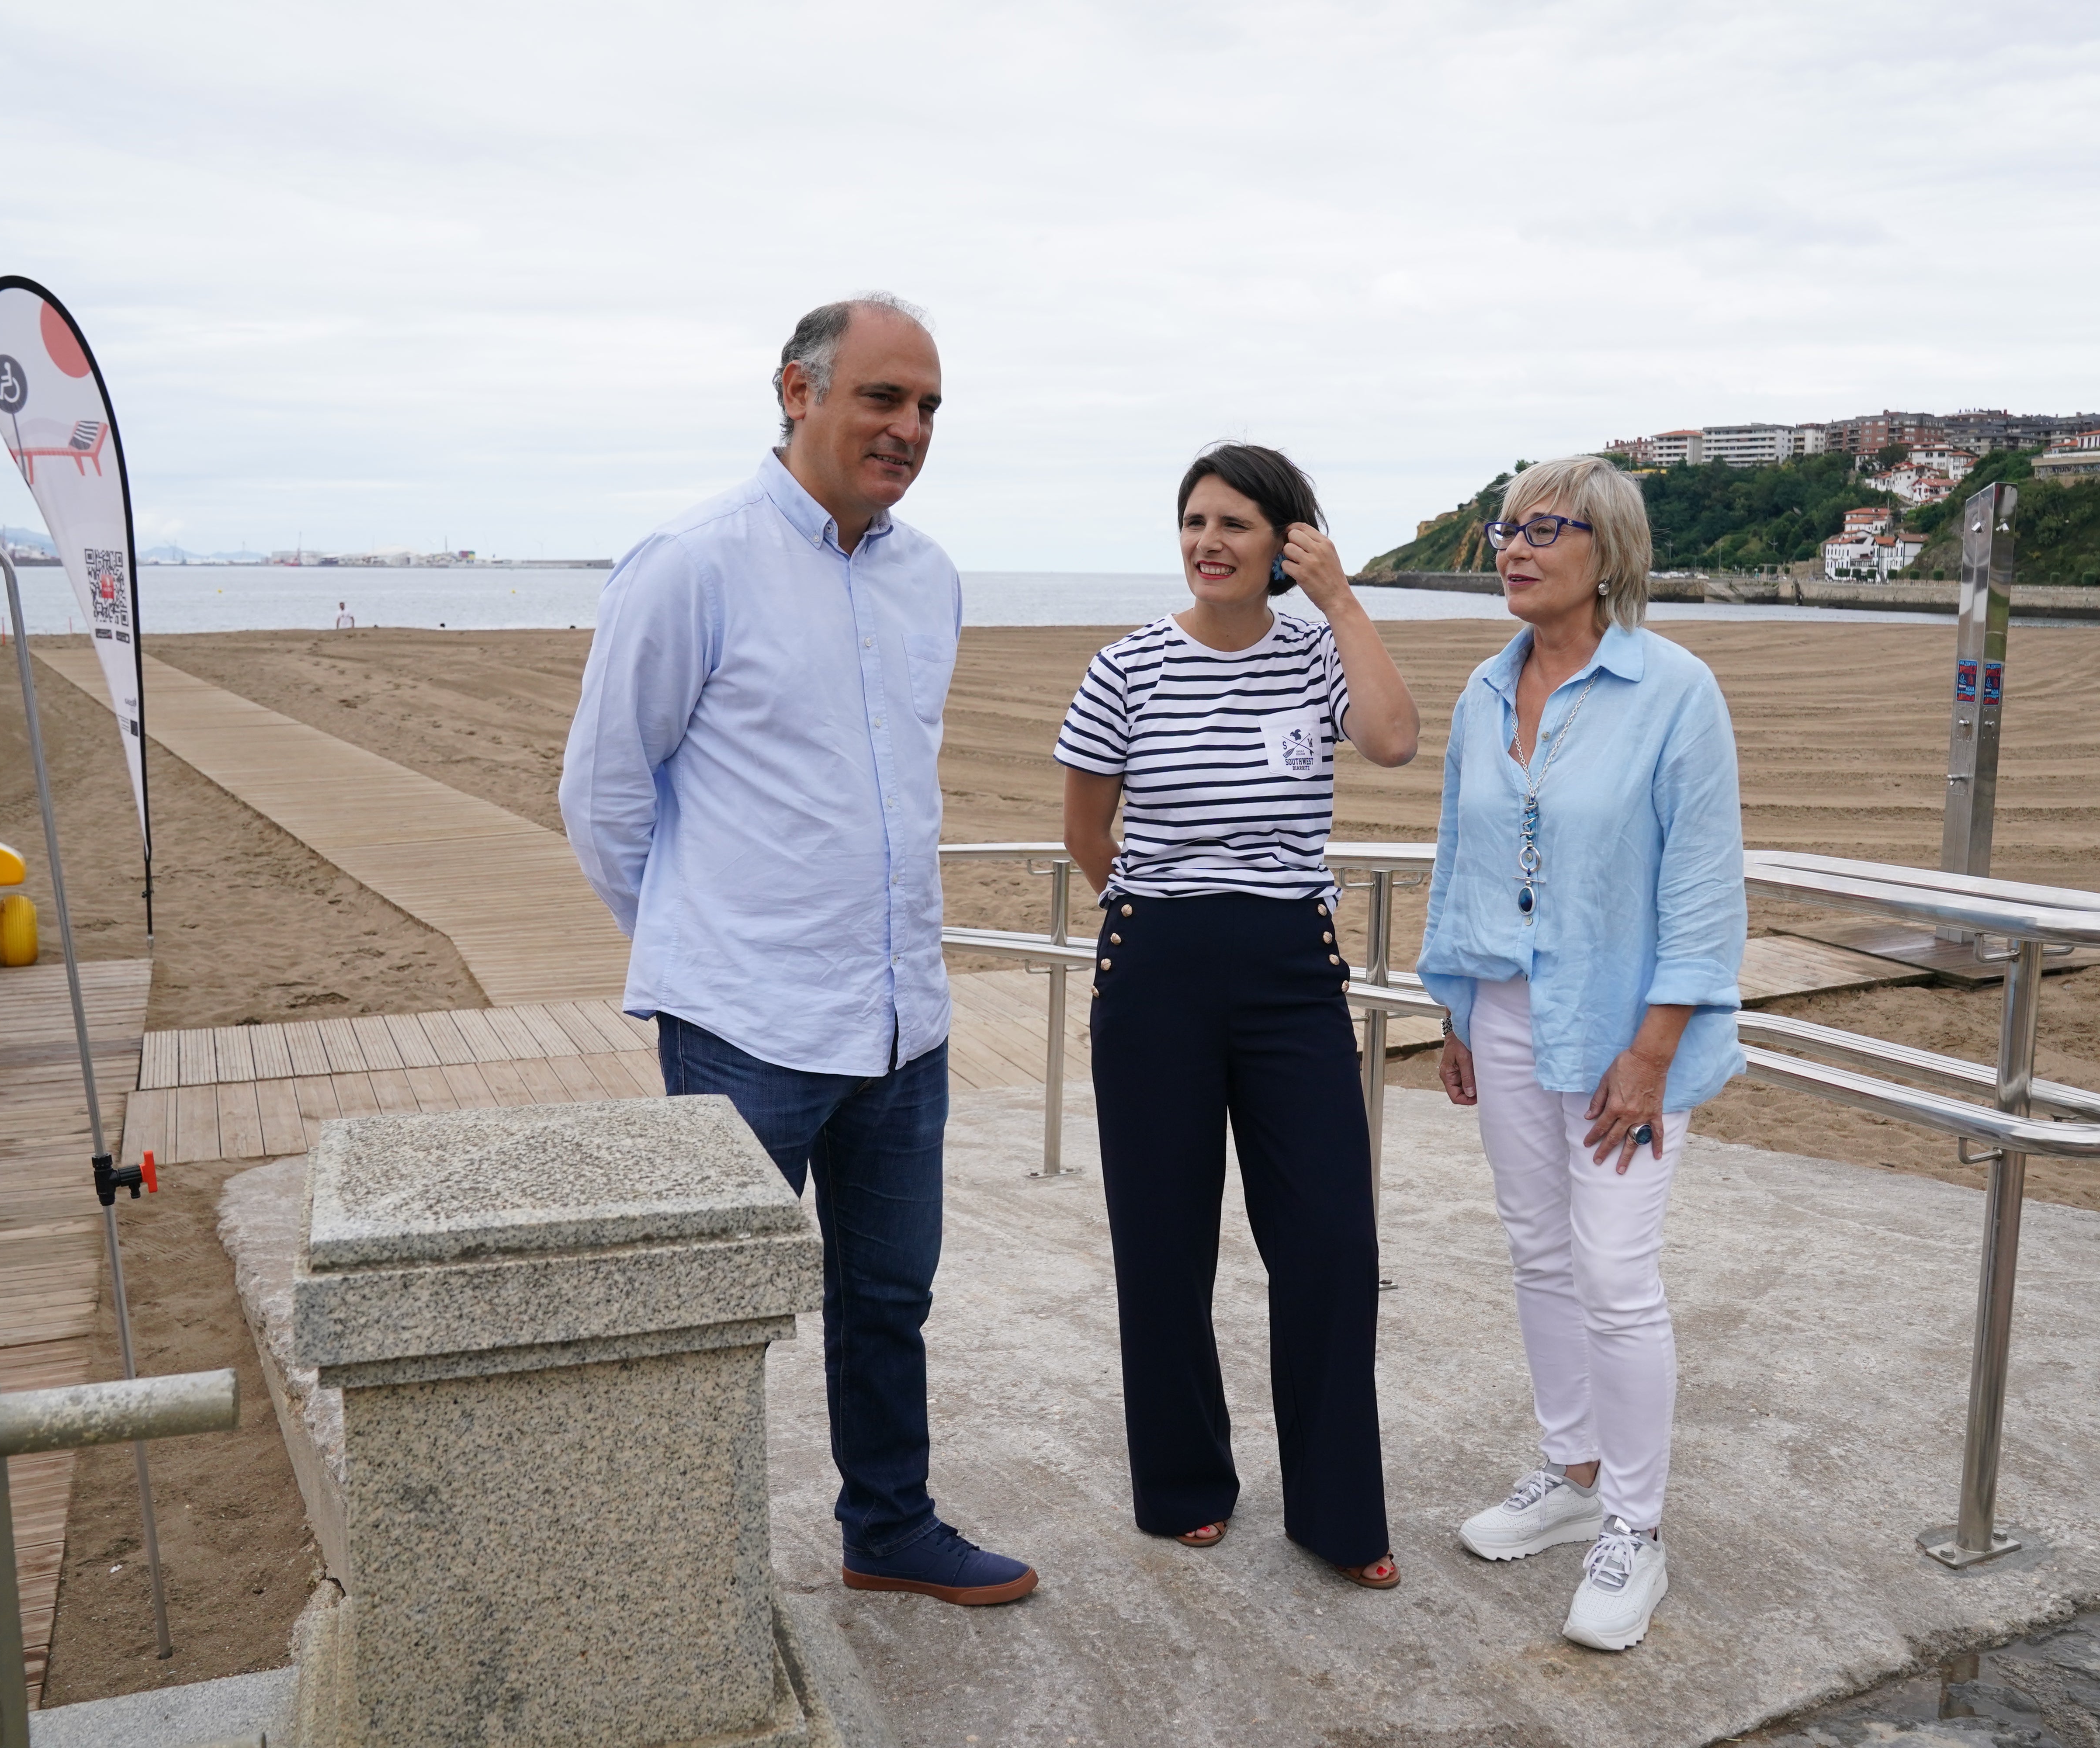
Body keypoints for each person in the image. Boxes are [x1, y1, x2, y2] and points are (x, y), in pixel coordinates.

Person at [560, 294, 1036, 1606]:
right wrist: (696, 950)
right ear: (797, 392)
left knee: (889, 1302)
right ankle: (673, 1569)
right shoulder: (692, 563)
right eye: (885, 398)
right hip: (742, 1025)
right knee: (704, 1306)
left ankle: (889, 1526)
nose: (910, 428)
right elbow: (603, 790)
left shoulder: (929, 577)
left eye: (930, 406)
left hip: (900, 1022)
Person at [1056, 443, 1421, 1589]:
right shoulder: (1125, 669)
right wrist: (1152, 921)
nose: (1209, 542)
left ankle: (1338, 1513)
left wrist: (1344, 601)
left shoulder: (1319, 657)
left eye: (1235, 525)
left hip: (1289, 974)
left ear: (1284, 543)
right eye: (1194, 521)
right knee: (1163, 1244)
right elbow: (1086, 829)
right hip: (1157, 965)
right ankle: (1183, 1486)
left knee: (1329, 1244)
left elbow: (1396, 740)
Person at [1414, 455, 1744, 1651]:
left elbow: (1706, 894)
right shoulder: (1483, 692)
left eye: (1542, 529)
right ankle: (1573, 1470)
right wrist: (1454, 1010)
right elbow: (1460, 857)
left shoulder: (1677, 691)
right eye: (1504, 529)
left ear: (1607, 552)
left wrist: (1655, 1052)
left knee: (1615, 1271)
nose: (1512, 548)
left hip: (1624, 1032)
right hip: (1503, 1012)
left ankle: (1637, 1530)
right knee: (1539, 1253)